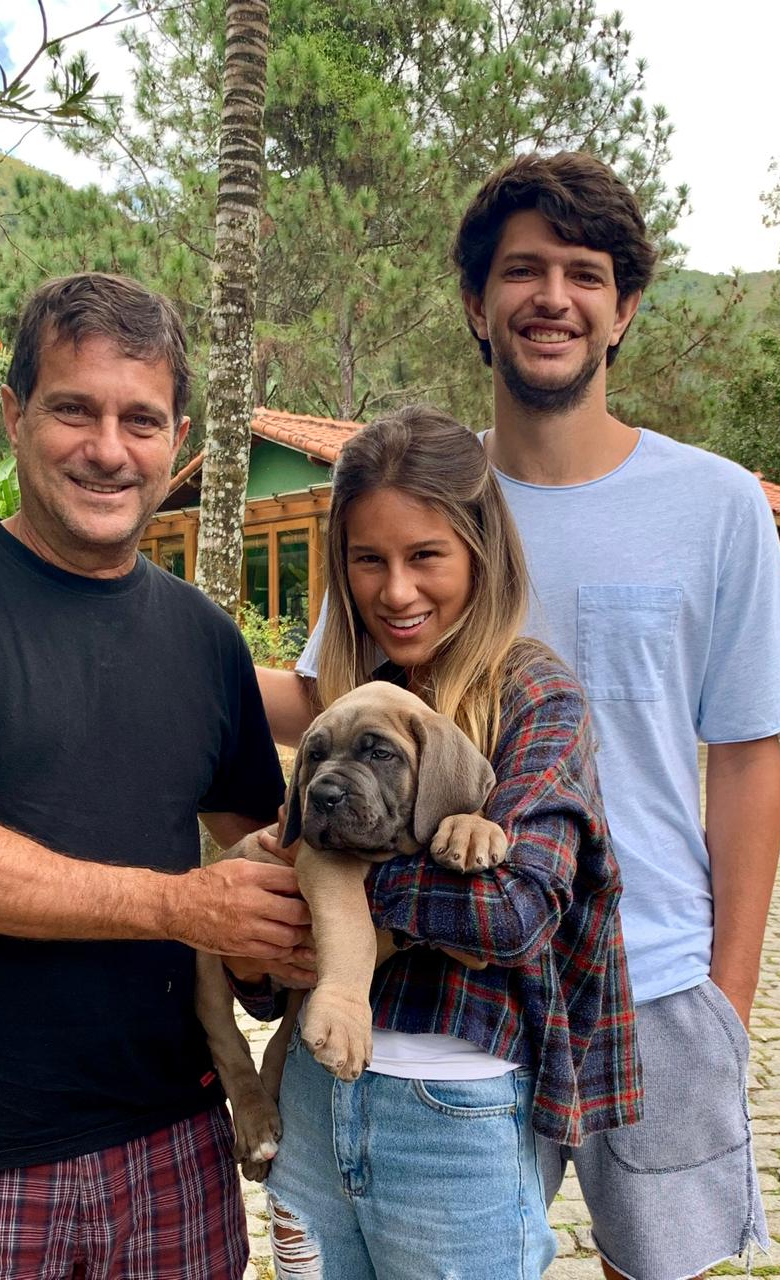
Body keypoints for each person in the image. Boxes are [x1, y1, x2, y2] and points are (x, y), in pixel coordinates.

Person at [283, 153, 780, 1280]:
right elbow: (328, 696)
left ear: (625, 309)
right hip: (460, 992)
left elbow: (749, 755)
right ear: (477, 303)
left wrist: (729, 993)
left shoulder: (716, 504)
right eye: (521, 270)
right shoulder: (420, 502)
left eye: (585, 273)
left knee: (655, 1264)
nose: (552, 297)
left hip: (652, 974)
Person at [0, 272, 312, 1280]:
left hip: (179, 1146)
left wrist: (271, 953)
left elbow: (270, 859)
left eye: (141, 420)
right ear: (14, 415)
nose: (108, 448)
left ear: (177, 439)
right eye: (73, 410)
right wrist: (181, 905)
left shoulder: (203, 638)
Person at [236, 404, 641, 1280]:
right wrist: (264, 929)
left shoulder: (534, 697)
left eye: (426, 556)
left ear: (481, 553)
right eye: (368, 560)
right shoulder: (360, 702)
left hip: (451, 1112)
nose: (396, 591)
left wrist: (331, 873)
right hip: (310, 1096)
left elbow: (514, 913)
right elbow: (270, 978)